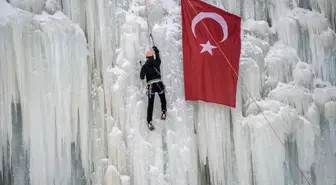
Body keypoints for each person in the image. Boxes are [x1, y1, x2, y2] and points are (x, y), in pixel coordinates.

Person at [140, 46, 167, 131]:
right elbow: (158, 56)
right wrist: (156, 50)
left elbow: (142, 77)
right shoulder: (157, 62)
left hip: (151, 86)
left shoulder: (145, 66)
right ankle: (163, 112)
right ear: (152, 57)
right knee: (162, 98)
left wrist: (142, 69)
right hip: (159, 84)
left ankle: (149, 121)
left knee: (150, 104)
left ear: (147, 58)